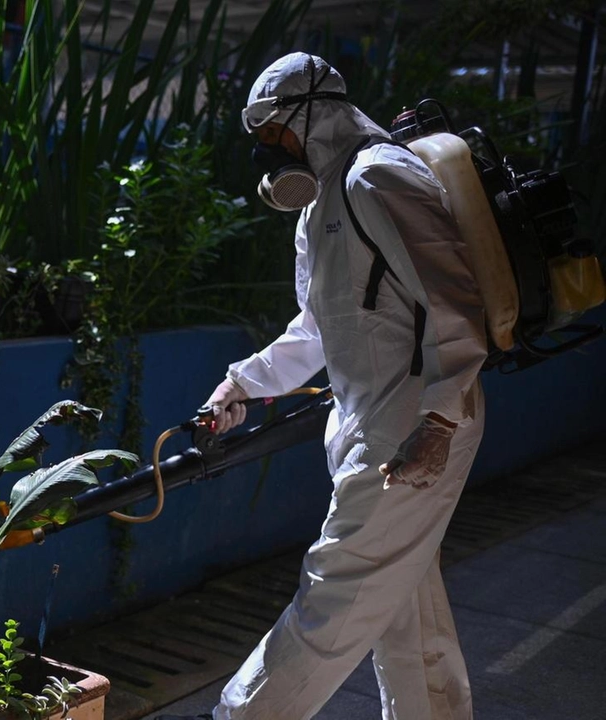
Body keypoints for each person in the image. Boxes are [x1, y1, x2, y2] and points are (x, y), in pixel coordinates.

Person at [169, 53, 489, 720]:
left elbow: (453, 299)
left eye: (273, 133)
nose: (266, 151)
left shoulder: (379, 177)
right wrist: (240, 385)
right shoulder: (318, 209)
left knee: (332, 600)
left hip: (413, 429)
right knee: (404, 606)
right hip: (362, 426)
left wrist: (439, 423)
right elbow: (317, 328)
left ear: (312, 116)